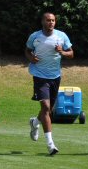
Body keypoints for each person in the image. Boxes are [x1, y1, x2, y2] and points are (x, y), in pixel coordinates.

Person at [25, 12, 73, 155]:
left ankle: (35, 122)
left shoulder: (61, 36)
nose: (51, 22)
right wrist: (31, 58)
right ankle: (50, 144)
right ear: (42, 22)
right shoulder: (35, 36)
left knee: (49, 109)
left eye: (53, 20)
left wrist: (62, 52)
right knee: (45, 107)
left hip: (55, 76)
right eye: (48, 20)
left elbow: (71, 53)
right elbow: (27, 50)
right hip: (39, 76)